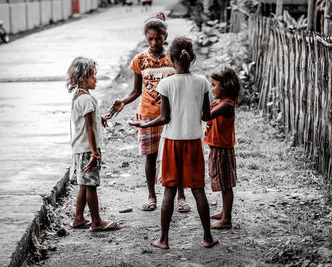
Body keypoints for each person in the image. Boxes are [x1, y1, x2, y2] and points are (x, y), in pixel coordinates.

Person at [128, 37, 219, 249]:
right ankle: (207, 237)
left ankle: (164, 239)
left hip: (171, 143)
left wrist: (143, 125)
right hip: (194, 142)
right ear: (193, 57)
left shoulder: (165, 83)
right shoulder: (203, 82)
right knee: (198, 190)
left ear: (170, 58)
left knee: (169, 190)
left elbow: (164, 119)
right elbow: (206, 116)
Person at [107, 13, 191, 212]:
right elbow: (137, 90)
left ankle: (181, 196)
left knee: (175, 155)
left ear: (165, 36)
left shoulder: (173, 58)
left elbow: (182, 83)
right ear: (145, 37)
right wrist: (124, 102)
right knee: (150, 157)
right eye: (150, 39)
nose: (154, 42)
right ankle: (152, 195)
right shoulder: (140, 60)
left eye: (158, 38)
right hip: (147, 114)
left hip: (172, 115)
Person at [67, 57, 119, 232]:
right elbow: (89, 127)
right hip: (88, 150)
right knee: (91, 186)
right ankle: (96, 222)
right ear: (83, 77)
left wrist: (100, 118)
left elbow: (87, 121)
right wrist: (94, 152)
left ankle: (78, 218)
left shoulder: (78, 96)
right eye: (93, 75)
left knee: (84, 184)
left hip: (79, 148)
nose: (96, 79)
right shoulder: (88, 100)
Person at [203, 67, 241, 230]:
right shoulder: (220, 102)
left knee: (225, 185)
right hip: (217, 148)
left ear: (225, 86)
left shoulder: (227, 105)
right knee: (222, 182)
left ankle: (227, 219)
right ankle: (224, 212)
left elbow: (206, 116)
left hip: (222, 150)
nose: (212, 89)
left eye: (214, 85)